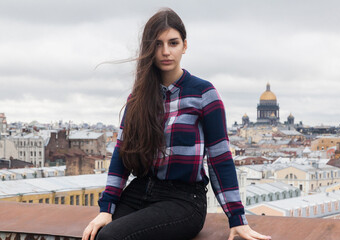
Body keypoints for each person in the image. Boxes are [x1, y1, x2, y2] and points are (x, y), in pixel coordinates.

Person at [82, 8, 271, 240]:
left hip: (183, 200)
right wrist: (106, 209)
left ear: (185, 45)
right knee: (97, 233)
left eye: (173, 43)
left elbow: (219, 158)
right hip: (139, 191)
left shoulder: (203, 93)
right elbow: (121, 153)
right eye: (158, 44)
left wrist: (237, 218)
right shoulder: (138, 98)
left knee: (111, 237)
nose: (165, 52)